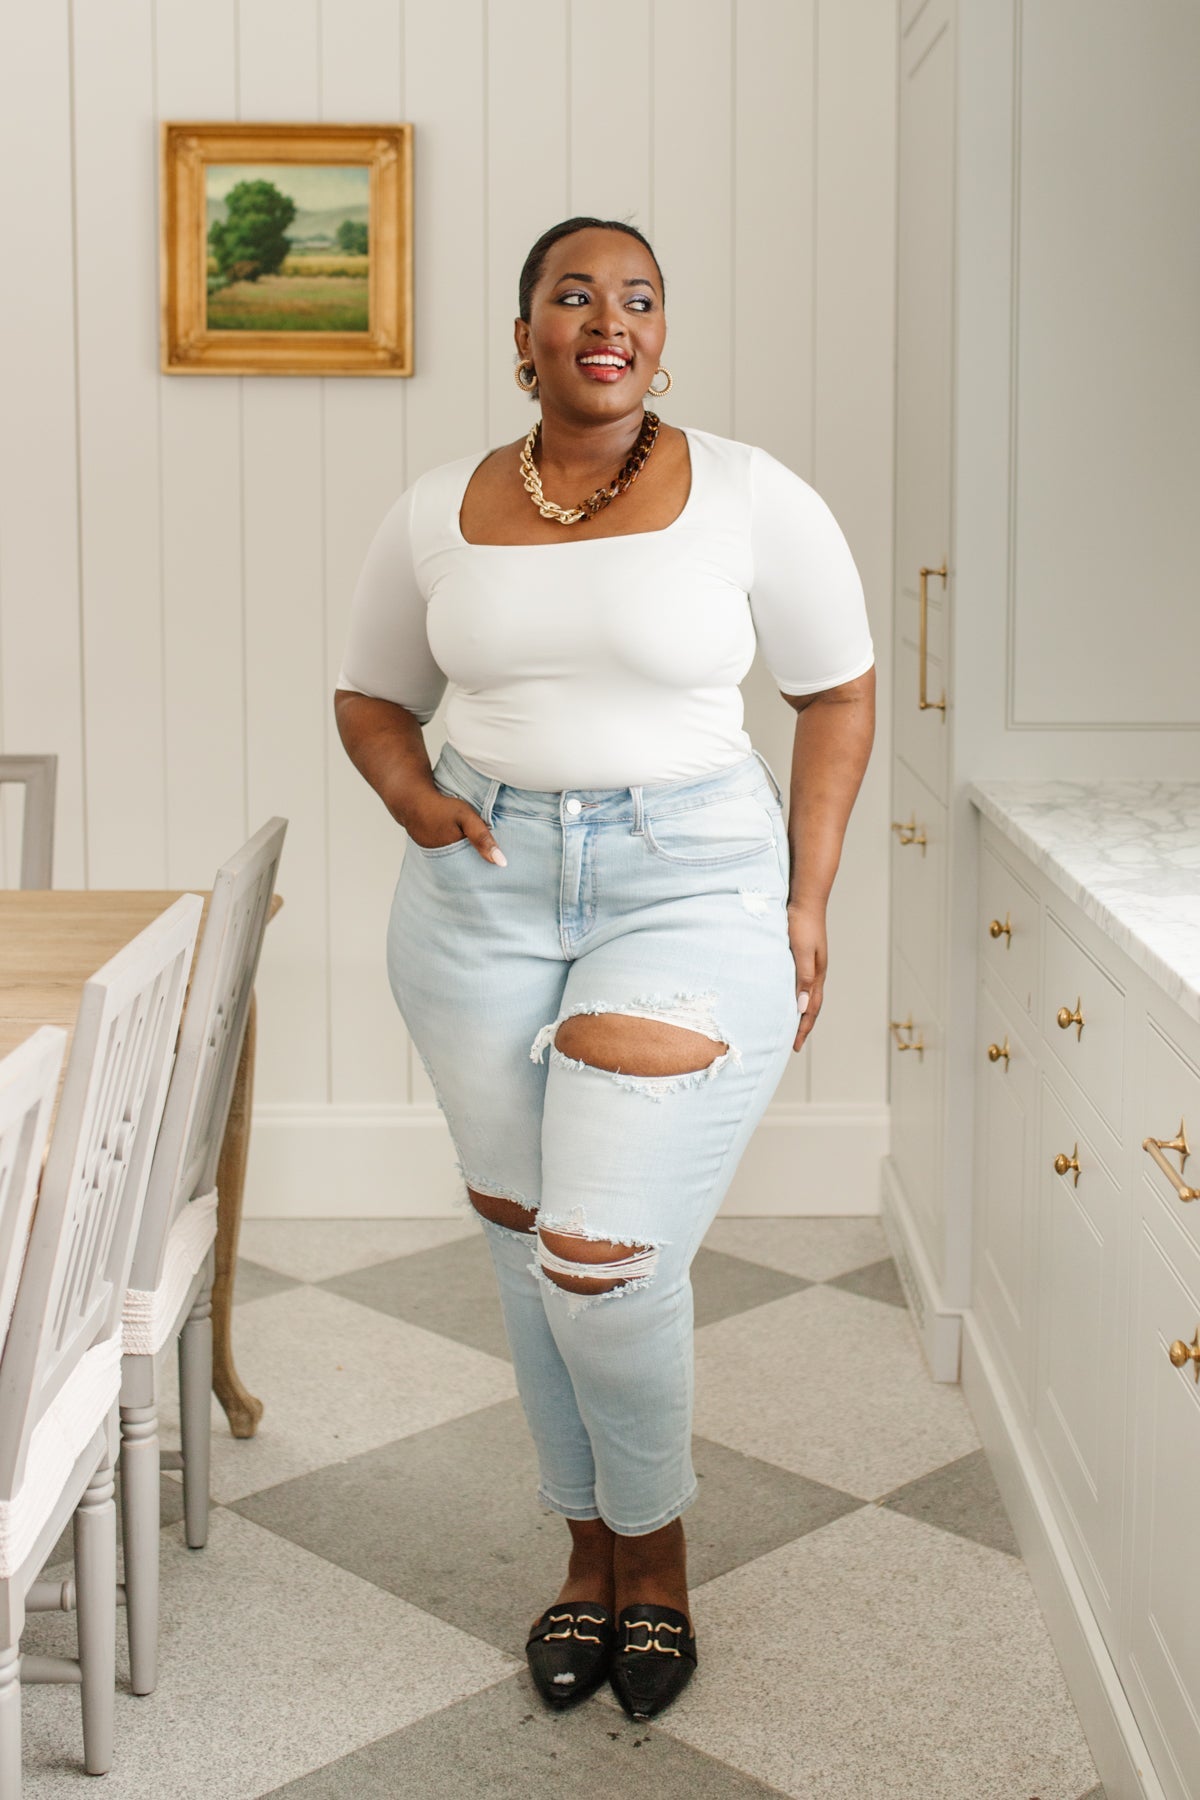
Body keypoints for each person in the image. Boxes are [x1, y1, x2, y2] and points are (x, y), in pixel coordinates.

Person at [334, 216, 875, 1722]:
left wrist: (808, 896)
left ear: (661, 337)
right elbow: (372, 694)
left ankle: (659, 1548)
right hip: (479, 890)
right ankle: (586, 1553)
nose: (607, 318)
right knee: (525, 1242)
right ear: (526, 338)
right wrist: (410, 795)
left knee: (602, 1255)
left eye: (637, 297)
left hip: (691, 877)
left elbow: (837, 692)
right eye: (574, 296)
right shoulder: (436, 509)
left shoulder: (752, 494)